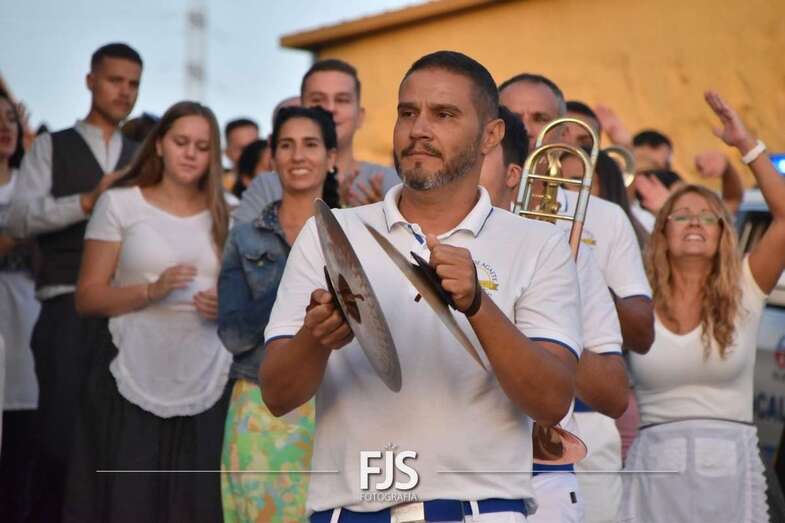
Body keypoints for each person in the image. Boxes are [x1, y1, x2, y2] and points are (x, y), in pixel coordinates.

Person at [261, 50, 582, 521]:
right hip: (350, 511)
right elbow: (276, 395)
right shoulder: (332, 232)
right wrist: (316, 336)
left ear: (491, 135)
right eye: (408, 113)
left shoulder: (538, 244)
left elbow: (552, 402)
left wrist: (478, 305)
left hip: (482, 510)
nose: (419, 130)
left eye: (444, 114)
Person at [62, 101, 231, 522]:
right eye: (180, 142)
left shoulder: (230, 209)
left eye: (202, 147)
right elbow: (87, 298)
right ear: (158, 145)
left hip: (207, 376)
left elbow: (249, 299)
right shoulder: (120, 204)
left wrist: (227, 306)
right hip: (129, 372)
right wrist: (150, 291)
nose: (190, 153)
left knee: (195, 506)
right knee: (128, 502)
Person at [623, 91, 785, 522]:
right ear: (662, 231)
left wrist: (745, 144)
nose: (695, 221)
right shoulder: (637, 293)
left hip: (730, 474)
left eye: (708, 215)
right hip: (655, 476)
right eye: (681, 214)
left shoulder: (746, 286)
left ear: (721, 233)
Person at [500, 73, 654, 523]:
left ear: (565, 135)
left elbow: (641, 332)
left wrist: (562, 272)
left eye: (540, 117)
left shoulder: (601, 217)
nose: (527, 128)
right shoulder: (470, 213)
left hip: (582, 423)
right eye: (515, 116)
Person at [6, 42, 142, 522]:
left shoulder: (141, 155)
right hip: (65, 307)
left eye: (133, 84)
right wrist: (87, 201)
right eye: (115, 80)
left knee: (115, 443)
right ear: (90, 81)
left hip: (128, 314)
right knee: (58, 440)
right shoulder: (51, 146)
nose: (124, 92)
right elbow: (18, 219)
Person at [480, 106, 627, 523]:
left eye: (481, 153)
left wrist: (546, 329)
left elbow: (615, 395)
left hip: (542, 477)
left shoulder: (563, 251)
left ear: (513, 174)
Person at [218, 106, 339, 522]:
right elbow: (233, 335)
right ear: (273, 156)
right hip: (259, 403)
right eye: (287, 145)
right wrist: (295, 279)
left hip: (339, 402)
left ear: (331, 156)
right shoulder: (244, 236)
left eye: (311, 144)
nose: (298, 155)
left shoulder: (354, 234)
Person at [234, 59, 399, 220]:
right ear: (301, 111)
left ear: (360, 116)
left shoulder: (391, 184)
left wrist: (382, 221)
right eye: (317, 100)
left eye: (342, 100)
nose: (330, 108)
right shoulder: (267, 186)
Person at [0, 91, 40, 523]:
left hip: (26, 324)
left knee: (22, 451)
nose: (4, 127)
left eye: (11, 118)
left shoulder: (32, 186)